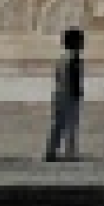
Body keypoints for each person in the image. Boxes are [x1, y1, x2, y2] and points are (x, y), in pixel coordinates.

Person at [44, 27, 85, 162]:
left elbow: (57, 76)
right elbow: (75, 77)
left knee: (57, 124)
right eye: (80, 40)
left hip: (58, 93)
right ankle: (70, 153)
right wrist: (78, 92)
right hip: (70, 95)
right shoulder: (75, 58)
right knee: (71, 124)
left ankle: (51, 151)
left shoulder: (61, 58)